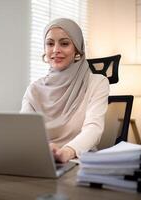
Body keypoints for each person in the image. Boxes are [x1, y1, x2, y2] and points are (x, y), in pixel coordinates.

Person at [20, 18, 109, 163]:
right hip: (42, 161)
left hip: (79, 162)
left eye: (64, 43)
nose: (56, 50)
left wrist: (67, 152)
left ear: (77, 49)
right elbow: (24, 132)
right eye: (50, 44)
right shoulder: (34, 89)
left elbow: (93, 129)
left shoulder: (97, 83)